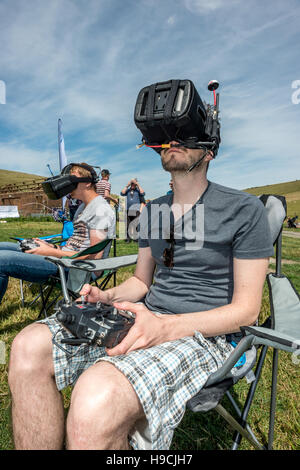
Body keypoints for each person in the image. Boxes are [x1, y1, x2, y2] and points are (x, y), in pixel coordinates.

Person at [8, 81, 273, 451]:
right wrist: (107, 293)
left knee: (94, 398)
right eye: (167, 136)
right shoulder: (155, 212)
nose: (172, 141)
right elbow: (141, 282)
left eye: (184, 135)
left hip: (207, 336)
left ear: (210, 149)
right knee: (27, 347)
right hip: (144, 315)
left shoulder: (244, 210)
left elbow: (247, 310)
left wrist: (166, 326)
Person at [0, 163, 115, 306]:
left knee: (1, 260)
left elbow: (94, 257)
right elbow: (74, 244)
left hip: (77, 267)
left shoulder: (101, 209)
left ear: (86, 183)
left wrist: (51, 252)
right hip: (64, 259)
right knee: (2, 246)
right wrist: (50, 246)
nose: (66, 185)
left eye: (70, 180)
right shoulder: (82, 207)